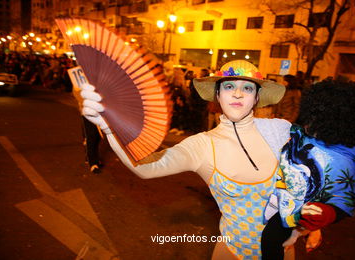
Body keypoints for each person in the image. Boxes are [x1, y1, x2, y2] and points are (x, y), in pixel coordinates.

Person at [80, 59, 289, 259]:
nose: (237, 94)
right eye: (228, 86)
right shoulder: (202, 145)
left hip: (285, 252)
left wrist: (309, 224)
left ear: (257, 98)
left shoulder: (279, 131)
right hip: (234, 254)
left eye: (248, 88)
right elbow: (146, 167)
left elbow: (311, 177)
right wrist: (109, 125)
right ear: (217, 95)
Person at [261, 79, 355, 259]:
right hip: (278, 196)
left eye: (315, 117)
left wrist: (328, 213)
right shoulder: (308, 135)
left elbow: (343, 198)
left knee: (270, 239)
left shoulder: (341, 160)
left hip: (294, 211)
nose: (308, 121)